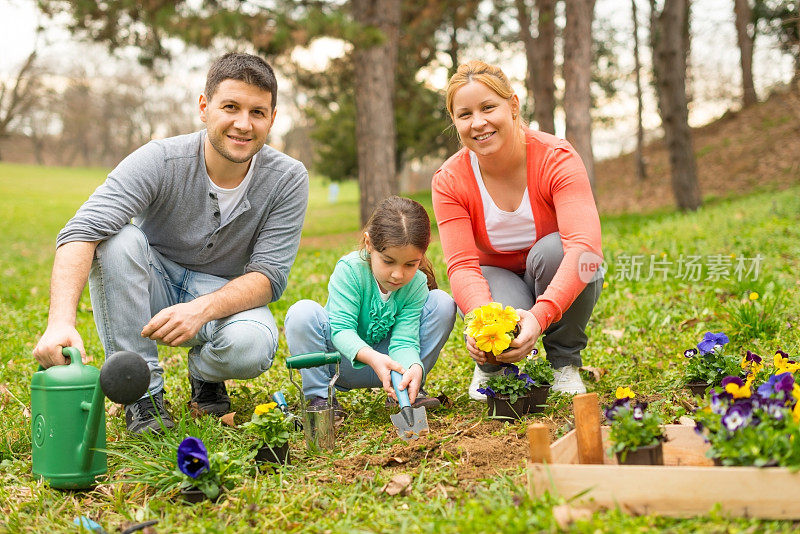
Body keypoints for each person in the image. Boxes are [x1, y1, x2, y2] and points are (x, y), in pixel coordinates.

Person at [32, 52, 309, 433]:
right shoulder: (160, 159)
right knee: (116, 241)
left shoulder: (289, 178)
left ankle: (205, 376)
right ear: (204, 107)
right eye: (230, 107)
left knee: (253, 346)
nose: (243, 124)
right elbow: (82, 231)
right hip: (151, 283)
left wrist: (202, 309)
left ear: (272, 118)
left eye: (258, 112)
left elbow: (268, 276)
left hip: (221, 295)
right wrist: (60, 322)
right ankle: (143, 394)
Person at [431, 60, 604, 401]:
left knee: (567, 255)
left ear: (513, 105)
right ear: (455, 121)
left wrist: (539, 318)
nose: (478, 123)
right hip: (498, 278)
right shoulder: (449, 180)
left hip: (551, 268)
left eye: (488, 107)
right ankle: (493, 366)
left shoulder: (557, 157)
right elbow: (463, 267)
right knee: (491, 307)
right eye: (464, 114)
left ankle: (563, 362)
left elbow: (585, 249)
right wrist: (481, 322)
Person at [284, 196, 456, 415]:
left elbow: (405, 340)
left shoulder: (416, 284)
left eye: (410, 264)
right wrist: (373, 358)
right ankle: (321, 400)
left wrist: (412, 366)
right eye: (388, 261)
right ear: (368, 244)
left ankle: (406, 390)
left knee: (442, 303)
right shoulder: (351, 271)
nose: (398, 274)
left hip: (393, 369)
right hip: (340, 365)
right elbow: (341, 329)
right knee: (302, 312)